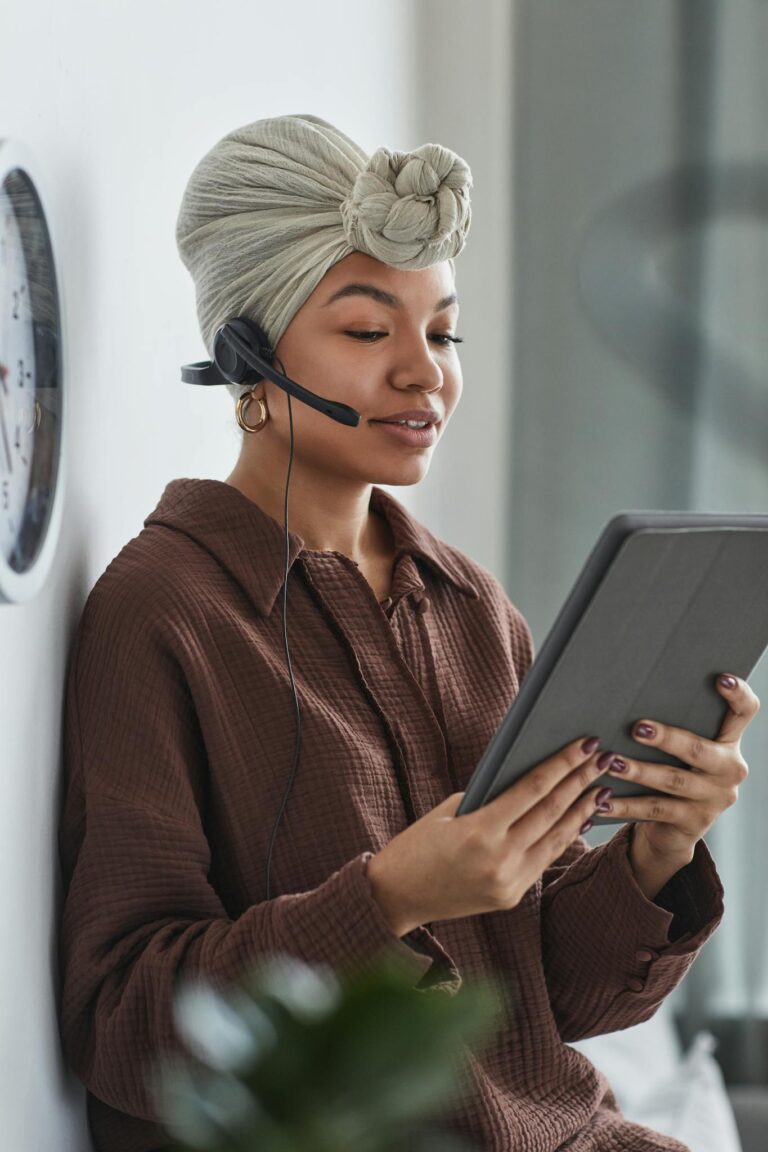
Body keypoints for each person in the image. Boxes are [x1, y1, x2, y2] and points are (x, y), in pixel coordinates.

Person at [57, 113, 759, 1152]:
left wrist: (659, 848)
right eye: (365, 329)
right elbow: (123, 1024)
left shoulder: (471, 607)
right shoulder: (164, 612)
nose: (425, 374)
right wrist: (387, 899)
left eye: (442, 332)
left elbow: (549, 1002)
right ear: (247, 350)